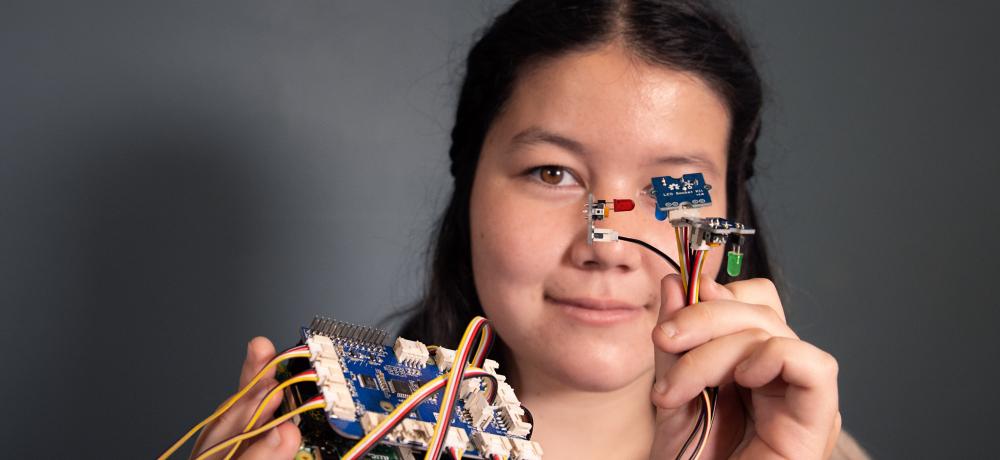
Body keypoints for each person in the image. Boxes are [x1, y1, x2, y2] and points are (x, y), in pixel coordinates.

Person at [193, 1, 870, 458]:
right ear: (471, 188)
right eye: (553, 174)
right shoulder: (292, 437)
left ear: (728, 225)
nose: (606, 246)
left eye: (672, 190)